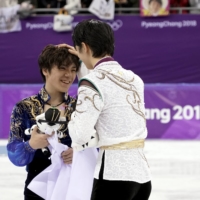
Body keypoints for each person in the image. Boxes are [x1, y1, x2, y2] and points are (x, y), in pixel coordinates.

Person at [67, 19, 152, 200]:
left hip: (114, 177)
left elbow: (80, 135)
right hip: (143, 177)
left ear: (85, 47)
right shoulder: (135, 79)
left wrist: (70, 116)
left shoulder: (92, 83)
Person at [7, 45, 80, 200]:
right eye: (62, 68)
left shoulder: (80, 107)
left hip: (74, 189)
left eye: (73, 69)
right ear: (45, 70)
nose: (69, 75)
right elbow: (14, 155)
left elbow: (99, 146)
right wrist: (30, 145)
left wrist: (80, 154)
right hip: (37, 191)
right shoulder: (24, 107)